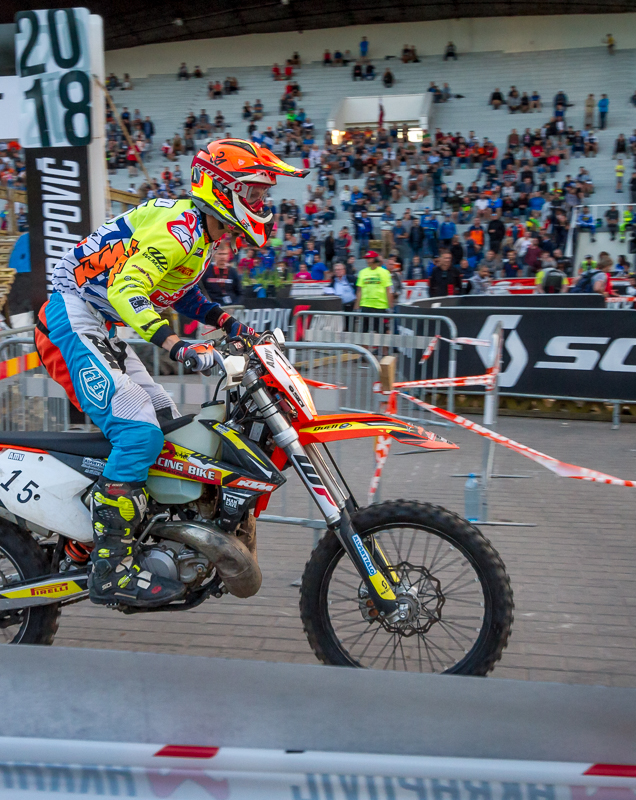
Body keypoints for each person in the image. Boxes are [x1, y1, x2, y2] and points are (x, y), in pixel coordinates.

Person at [36, 138, 305, 608]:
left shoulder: (199, 234)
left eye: (264, 194)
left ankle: (135, 536)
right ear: (223, 188)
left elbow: (178, 292)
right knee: (138, 432)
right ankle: (111, 568)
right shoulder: (178, 228)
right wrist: (176, 344)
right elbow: (126, 288)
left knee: (166, 421)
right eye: (255, 192)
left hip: (97, 323)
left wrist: (230, 324)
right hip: (71, 314)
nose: (262, 203)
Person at [355, 251, 394, 316]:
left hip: (380, 306)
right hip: (366, 305)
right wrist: (356, 307)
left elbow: (388, 290)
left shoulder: (384, 272)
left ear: (375, 259)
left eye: (369, 258)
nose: (367, 261)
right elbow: (359, 291)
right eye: (367, 259)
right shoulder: (362, 272)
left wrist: (390, 307)